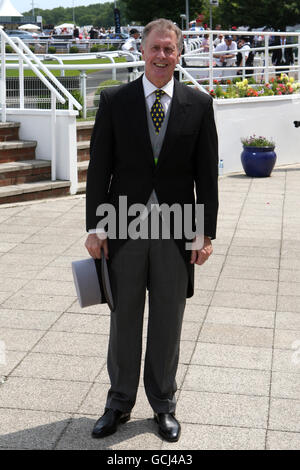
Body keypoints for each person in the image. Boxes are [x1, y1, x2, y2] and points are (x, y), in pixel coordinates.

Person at [85, 18, 218, 443]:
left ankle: (163, 405)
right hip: (124, 227)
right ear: (141, 51)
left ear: (179, 54)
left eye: (170, 49)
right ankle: (118, 403)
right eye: (155, 48)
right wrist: (97, 227)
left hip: (176, 231)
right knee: (124, 320)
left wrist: (204, 232)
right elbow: (99, 170)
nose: (162, 56)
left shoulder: (199, 104)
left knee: (168, 320)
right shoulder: (115, 100)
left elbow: (206, 178)